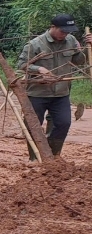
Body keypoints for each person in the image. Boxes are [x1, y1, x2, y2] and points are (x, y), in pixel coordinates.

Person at [16, 13, 92, 157]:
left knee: (63, 123)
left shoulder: (71, 41)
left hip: (61, 93)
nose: (65, 34)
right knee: (33, 125)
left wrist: (88, 48)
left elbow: (78, 61)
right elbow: (21, 65)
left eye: (68, 32)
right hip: (37, 93)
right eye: (62, 31)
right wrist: (39, 69)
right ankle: (35, 157)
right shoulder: (35, 44)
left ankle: (53, 155)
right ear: (53, 27)